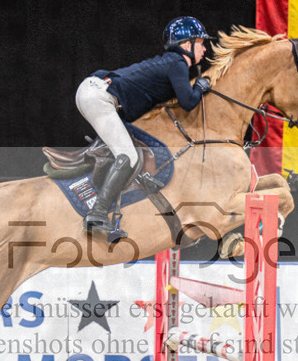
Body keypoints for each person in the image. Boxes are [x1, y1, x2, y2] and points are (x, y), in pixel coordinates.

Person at [76, 16, 213, 236]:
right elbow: (188, 102)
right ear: (186, 45)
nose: (204, 49)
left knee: (129, 149)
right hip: (99, 97)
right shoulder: (178, 63)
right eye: (201, 43)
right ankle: (97, 213)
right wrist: (200, 86)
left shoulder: (171, 63)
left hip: (95, 92)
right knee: (128, 156)